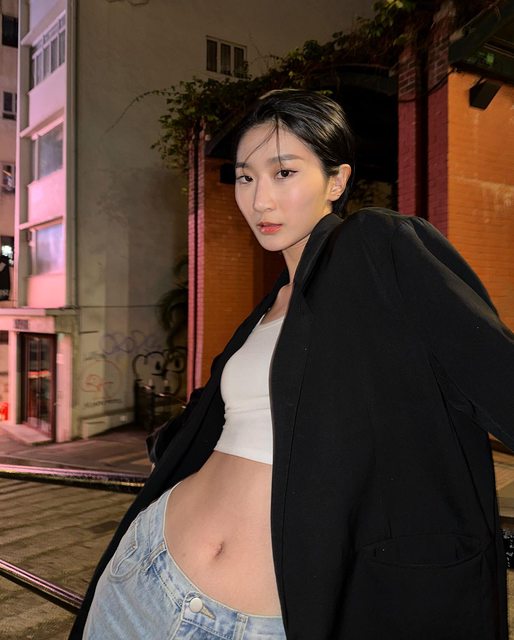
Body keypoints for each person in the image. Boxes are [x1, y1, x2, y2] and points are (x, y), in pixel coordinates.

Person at [71, 89, 514, 640]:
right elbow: (217, 420)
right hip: (143, 568)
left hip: (250, 622)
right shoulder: (270, 305)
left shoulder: (379, 249)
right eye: (245, 177)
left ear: (336, 181)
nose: (260, 200)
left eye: (283, 172)